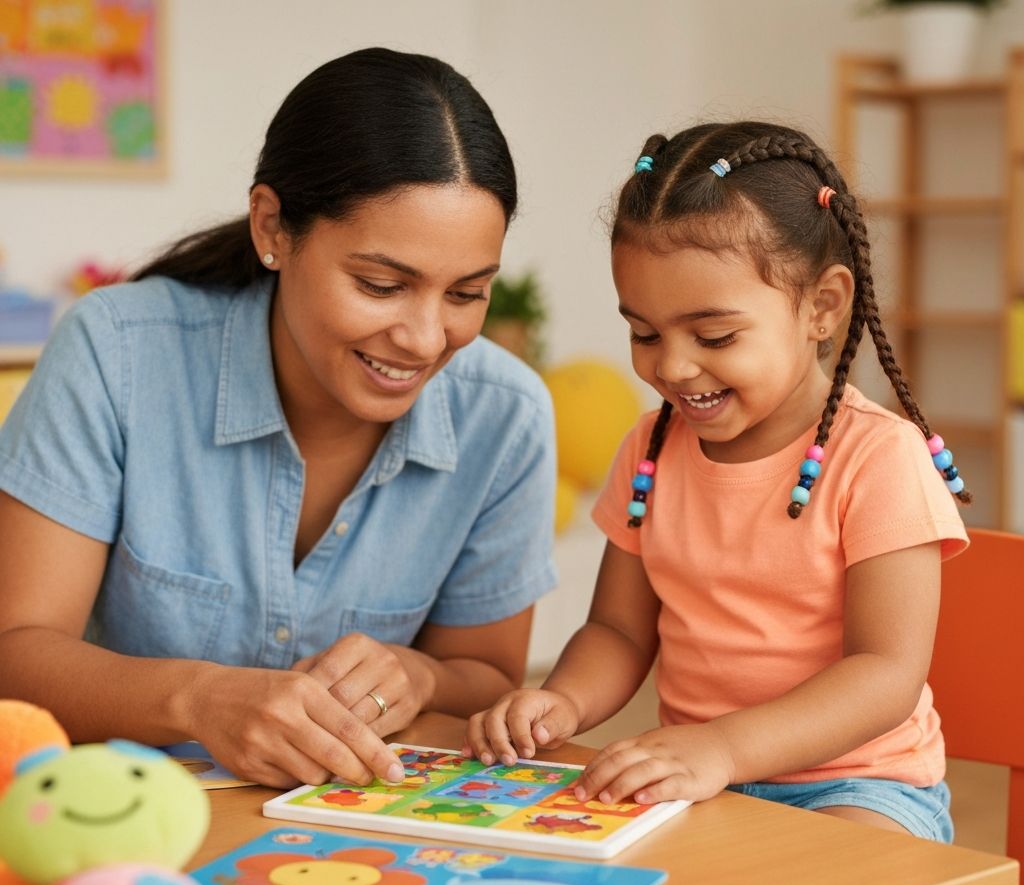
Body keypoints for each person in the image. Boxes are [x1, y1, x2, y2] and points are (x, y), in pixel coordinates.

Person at [0, 48, 556, 790]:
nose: (426, 339)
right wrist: (199, 699)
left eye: (466, 294)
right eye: (381, 284)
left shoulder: (507, 415)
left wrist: (418, 676)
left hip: (351, 846)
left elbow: (486, 676)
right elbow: (16, 654)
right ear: (272, 227)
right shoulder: (116, 352)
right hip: (118, 826)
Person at [465, 121, 969, 842]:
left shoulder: (880, 459)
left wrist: (724, 746)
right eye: (644, 333)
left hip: (863, 784)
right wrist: (562, 703)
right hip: (708, 782)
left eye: (714, 336)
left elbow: (885, 674)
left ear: (823, 307)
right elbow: (617, 629)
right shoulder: (652, 448)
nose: (672, 367)